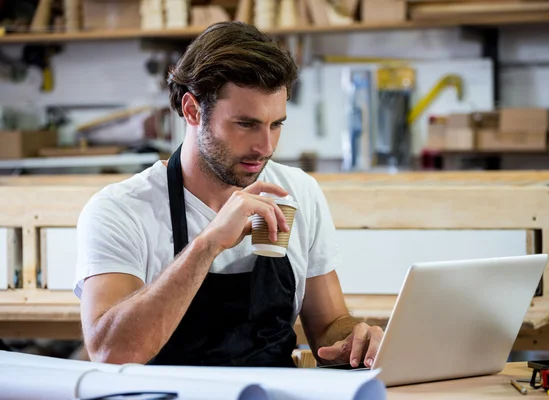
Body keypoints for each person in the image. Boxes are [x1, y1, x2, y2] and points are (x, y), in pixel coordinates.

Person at [75, 21, 383, 368]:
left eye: (276, 124)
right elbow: (111, 351)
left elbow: (328, 324)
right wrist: (208, 243)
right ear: (192, 110)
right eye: (246, 124)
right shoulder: (120, 210)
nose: (265, 147)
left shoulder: (298, 192)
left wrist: (354, 339)